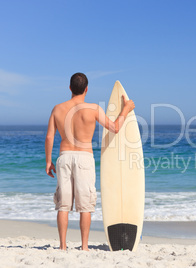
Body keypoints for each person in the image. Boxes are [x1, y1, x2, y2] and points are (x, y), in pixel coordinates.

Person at [45, 73, 135, 250]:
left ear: (70, 88)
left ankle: (62, 246)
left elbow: (49, 137)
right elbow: (115, 128)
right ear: (86, 89)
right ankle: (84, 246)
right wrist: (126, 109)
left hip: (64, 157)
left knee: (63, 205)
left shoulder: (57, 109)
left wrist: (48, 161)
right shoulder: (93, 109)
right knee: (85, 205)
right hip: (85, 158)